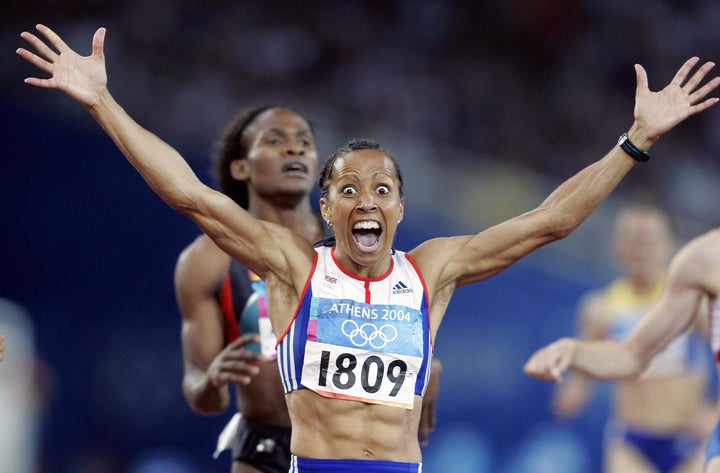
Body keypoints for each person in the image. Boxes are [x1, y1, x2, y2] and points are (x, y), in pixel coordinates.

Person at [17, 24, 720, 472]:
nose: (366, 201)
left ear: (401, 207)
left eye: (382, 189)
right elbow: (189, 195)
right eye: (348, 189)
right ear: (324, 208)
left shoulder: (433, 270)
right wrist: (102, 103)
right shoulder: (295, 265)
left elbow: (549, 221)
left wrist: (636, 141)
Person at [176, 105, 442, 473]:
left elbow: (391, 315)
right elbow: (202, 395)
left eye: (305, 141)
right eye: (275, 141)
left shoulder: (351, 243)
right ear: (241, 167)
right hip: (264, 445)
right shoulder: (206, 261)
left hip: (347, 455)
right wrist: (210, 380)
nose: (295, 149)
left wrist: (423, 364)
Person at [525, 227, 720, 472]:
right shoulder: (602, 307)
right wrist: (571, 355)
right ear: (618, 247)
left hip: (687, 435)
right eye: (633, 243)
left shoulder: (697, 299)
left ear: (666, 246)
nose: (641, 252)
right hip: (633, 438)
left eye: (648, 242)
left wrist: (713, 411)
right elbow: (629, 355)